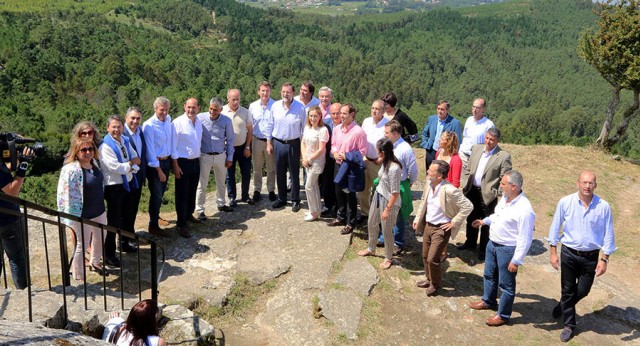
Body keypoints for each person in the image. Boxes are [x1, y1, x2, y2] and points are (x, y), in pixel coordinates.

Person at [547, 171, 616, 342]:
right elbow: (555, 227)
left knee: (584, 290)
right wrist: (553, 252)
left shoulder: (603, 206)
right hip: (569, 253)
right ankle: (569, 325)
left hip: (590, 257)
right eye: (584, 182)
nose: (587, 186)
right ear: (578, 183)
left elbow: (609, 233)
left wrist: (604, 259)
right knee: (568, 290)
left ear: (595, 185)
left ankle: (563, 305)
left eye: (591, 183)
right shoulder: (566, 202)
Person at [468, 170, 535, 327]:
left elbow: (525, 238)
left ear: (514, 186)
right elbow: (497, 216)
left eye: (503, 184)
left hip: (508, 250)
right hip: (493, 243)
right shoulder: (505, 199)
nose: (500, 186)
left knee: (506, 285)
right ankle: (488, 301)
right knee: (489, 274)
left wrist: (516, 260)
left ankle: (503, 315)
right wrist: (484, 221)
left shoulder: (525, 210)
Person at [412, 160, 473, 296]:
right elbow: (424, 202)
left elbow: (468, 206)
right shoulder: (429, 184)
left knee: (432, 258)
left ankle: (436, 284)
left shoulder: (450, 190)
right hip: (428, 225)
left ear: (439, 175)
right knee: (424, 255)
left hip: (441, 229)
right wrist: (417, 218)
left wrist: (454, 222)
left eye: (431, 170)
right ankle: (429, 279)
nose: (427, 172)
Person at [57, 138, 108, 279]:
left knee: (100, 237)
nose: (88, 152)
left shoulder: (95, 164)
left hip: (99, 209)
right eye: (83, 150)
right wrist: (69, 215)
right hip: (82, 213)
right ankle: (78, 274)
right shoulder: (70, 169)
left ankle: (95, 262)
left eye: (90, 149)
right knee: (81, 244)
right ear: (76, 152)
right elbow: (63, 193)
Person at [459, 127, 512, 261]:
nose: (488, 142)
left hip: (488, 194)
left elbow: (504, 177)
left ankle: (483, 249)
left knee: (486, 223)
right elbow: (468, 168)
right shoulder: (476, 149)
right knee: (471, 218)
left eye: (492, 140)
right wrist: (465, 183)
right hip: (472, 190)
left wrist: (497, 193)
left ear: (497, 141)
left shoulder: (503, 156)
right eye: (487, 138)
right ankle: (470, 242)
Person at [99, 115, 140, 268]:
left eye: (119, 126)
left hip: (126, 184)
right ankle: (108, 254)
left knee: (126, 218)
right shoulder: (105, 146)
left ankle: (123, 243)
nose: (116, 129)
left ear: (123, 128)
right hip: (114, 188)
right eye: (113, 127)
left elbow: (136, 157)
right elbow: (116, 167)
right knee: (113, 221)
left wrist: (130, 164)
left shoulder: (125, 140)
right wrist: (130, 164)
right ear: (107, 128)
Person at [357, 138, 402, 270]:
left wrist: (387, 209)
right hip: (378, 195)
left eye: (377, 150)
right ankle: (371, 248)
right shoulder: (384, 161)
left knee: (387, 230)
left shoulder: (394, 168)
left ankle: (388, 257)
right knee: (371, 222)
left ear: (382, 152)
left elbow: (395, 193)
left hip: (389, 201)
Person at [378, 120, 418, 255]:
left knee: (398, 214)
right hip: (385, 183)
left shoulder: (405, 149)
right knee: (384, 210)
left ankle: (398, 243)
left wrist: (409, 183)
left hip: (399, 184)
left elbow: (412, 169)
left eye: (387, 132)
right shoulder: (387, 145)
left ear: (395, 134)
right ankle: (383, 237)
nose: (384, 134)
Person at [328, 104, 367, 235]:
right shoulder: (337, 129)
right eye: (340, 113)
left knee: (350, 194)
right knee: (338, 191)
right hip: (338, 164)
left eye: (344, 113)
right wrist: (334, 153)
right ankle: (341, 216)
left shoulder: (358, 131)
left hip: (350, 166)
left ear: (352, 114)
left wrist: (346, 156)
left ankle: (350, 222)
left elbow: (362, 152)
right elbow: (333, 145)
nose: (341, 116)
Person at [269, 82, 306, 212]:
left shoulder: (300, 108)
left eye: (288, 92)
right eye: (283, 92)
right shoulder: (275, 106)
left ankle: (295, 200)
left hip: (293, 144)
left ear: (293, 93)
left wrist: (303, 149)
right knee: (280, 172)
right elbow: (270, 125)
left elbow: (304, 129)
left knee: (294, 173)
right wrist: (269, 142)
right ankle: (282, 198)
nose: (285, 94)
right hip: (278, 142)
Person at [196, 97, 235, 219]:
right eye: (211, 109)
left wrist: (230, 157)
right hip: (205, 155)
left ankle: (221, 203)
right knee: (202, 184)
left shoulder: (227, 121)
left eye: (215, 110)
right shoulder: (200, 118)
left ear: (221, 109)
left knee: (221, 182)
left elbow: (230, 140)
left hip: (220, 155)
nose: (212, 112)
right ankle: (200, 210)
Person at [0, 146, 33, 289]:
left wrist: (17, 159)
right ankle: (24, 293)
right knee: (16, 258)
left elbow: (5, 172)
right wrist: (23, 166)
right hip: (8, 218)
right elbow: (12, 192)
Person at [171, 98, 203, 238]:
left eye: (194, 107)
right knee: (182, 194)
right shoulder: (177, 123)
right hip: (182, 162)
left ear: (198, 108)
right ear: (184, 107)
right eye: (189, 107)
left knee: (192, 190)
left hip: (196, 161)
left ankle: (189, 214)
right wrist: (175, 166)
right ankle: (181, 223)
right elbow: (173, 147)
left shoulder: (199, 122)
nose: (191, 110)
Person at [142, 97, 173, 238]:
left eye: (166, 109)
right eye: (162, 110)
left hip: (167, 161)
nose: (164, 112)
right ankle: (153, 225)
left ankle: (156, 216)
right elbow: (150, 150)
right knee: (156, 194)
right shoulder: (149, 125)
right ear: (155, 109)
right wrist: (159, 170)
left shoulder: (168, 120)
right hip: (156, 164)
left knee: (161, 192)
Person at [358, 100, 388, 225]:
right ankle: (365, 213)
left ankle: (380, 216)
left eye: (377, 109)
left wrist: (382, 158)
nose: (374, 111)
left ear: (383, 111)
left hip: (379, 162)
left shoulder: (387, 124)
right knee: (363, 190)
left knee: (379, 190)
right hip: (366, 159)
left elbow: (390, 144)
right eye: (373, 108)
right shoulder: (366, 121)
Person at [223, 89, 254, 206]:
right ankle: (232, 197)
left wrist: (247, 147)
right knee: (229, 174)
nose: (235, 102)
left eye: (237, 99)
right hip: (228, 149)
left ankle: (245, 196)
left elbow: (250, 130)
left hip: (242, 147)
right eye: (233, 100)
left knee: (246, 172)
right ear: (228, 99)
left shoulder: (245, 112)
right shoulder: (223, 112)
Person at [248, 81, 276, 202]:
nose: (265, 93)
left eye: (267, 91)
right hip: (257, 140)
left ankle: (271, 190)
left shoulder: (276, 105)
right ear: (259, 92)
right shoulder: (253, 106)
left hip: (271, 141)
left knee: (271, 167)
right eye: (263, 90)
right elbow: (250, 125)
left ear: (270, 91)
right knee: (257, 168)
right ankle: (257, 190)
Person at [301, 106, 329, 221]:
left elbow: (321, 149)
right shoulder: (307, 127)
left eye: (315, 116)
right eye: (311, 116)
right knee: (314, 185)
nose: (313, 118)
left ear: (320, 117)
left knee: (309, 186)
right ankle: (317, 208)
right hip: (307, 160)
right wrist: (304, 158)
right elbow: (303, 142)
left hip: (316, 161)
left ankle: (314, 213)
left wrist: (309, 159)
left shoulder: (323, 130)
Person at [123, 107, 146, 241]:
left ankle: (130, 234)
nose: (135, 121)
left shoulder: (141, 131)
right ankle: (123, 239)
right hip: (126, 177)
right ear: (126, 118)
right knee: (125, 209)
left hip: (138, 176)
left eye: (138, 118)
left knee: (133, 208)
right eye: (132, 118)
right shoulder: (121, 133)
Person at [420, 100, 462, 171]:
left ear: (447, 110)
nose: (439, 111)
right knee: (430, 174)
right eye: (438, 108)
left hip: (445, 154)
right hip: (431, 152)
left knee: (442, 176)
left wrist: (452, 155)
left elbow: (458, 142)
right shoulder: (432, 119)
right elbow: (424, 133)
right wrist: (426, 144)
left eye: (442, 109)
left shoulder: (455, 123)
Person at [319, 102, 342, 218]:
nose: (335, 116)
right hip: (328, 158)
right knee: (327, 183)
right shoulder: (325, 124)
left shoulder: (346, 125)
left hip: (341, 159)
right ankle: (328, 205)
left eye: (338, 113)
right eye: (333, 113)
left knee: (338, 184)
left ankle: (339, 207)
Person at [459, 98, 494, 172]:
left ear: (483, 109)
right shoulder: (469, 120)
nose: (474, 110)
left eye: (477, 108)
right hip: (464, 155)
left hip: (477, 158)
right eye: (473, 107)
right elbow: (465, 136)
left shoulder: (488, 124)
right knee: (463, 180)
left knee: (474, 181)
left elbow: (491, 143)